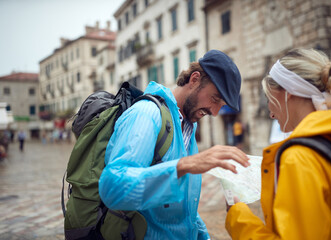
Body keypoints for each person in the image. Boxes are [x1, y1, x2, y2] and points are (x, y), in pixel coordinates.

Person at [99, 49, 250, 239]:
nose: (215, 112)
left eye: (222, 105)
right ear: (194, 79)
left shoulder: (188, 126)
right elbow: (113, 189)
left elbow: (185, 212)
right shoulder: (146, 114)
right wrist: (184, 165)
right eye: (215, 99)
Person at [225, 48, 331, 239]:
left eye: (269, 99)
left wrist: (238, 217)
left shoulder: (299, 157)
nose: (271, 113)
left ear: (288, 93)